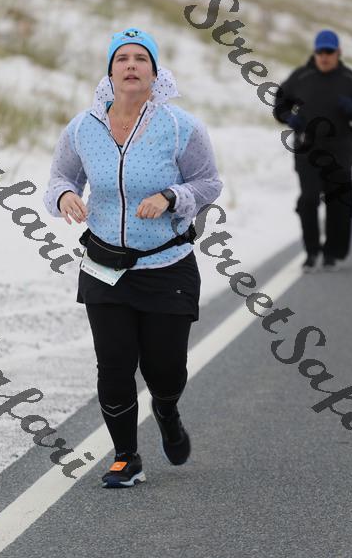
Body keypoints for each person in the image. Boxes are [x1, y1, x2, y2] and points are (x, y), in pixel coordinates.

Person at [43, 27, 223, 488]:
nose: (131, 66)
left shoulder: (181, 127)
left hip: (167, 265)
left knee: (165, 370)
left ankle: (166, 410)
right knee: (114, 365)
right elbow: (60, 178)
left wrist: (170, 196)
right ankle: (126, 457)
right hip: (104, 266)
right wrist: (64, 196)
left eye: (141, 59)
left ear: (155, 73)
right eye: (121, 58)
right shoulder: (83, 128)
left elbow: (208, 183)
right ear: (110, 71)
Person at [273, 29, 352, 272]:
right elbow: (279, 106)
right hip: (308, 149)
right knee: (308, 199)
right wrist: (290, 118)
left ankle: (332, 253)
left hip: (340, 148)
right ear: (315, 52)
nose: (324, 56)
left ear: (338, 52)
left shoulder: (349, 79)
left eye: (329, 51)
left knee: (338, 201)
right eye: (320, 51)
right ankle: (311, 252)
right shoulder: (301, 77)